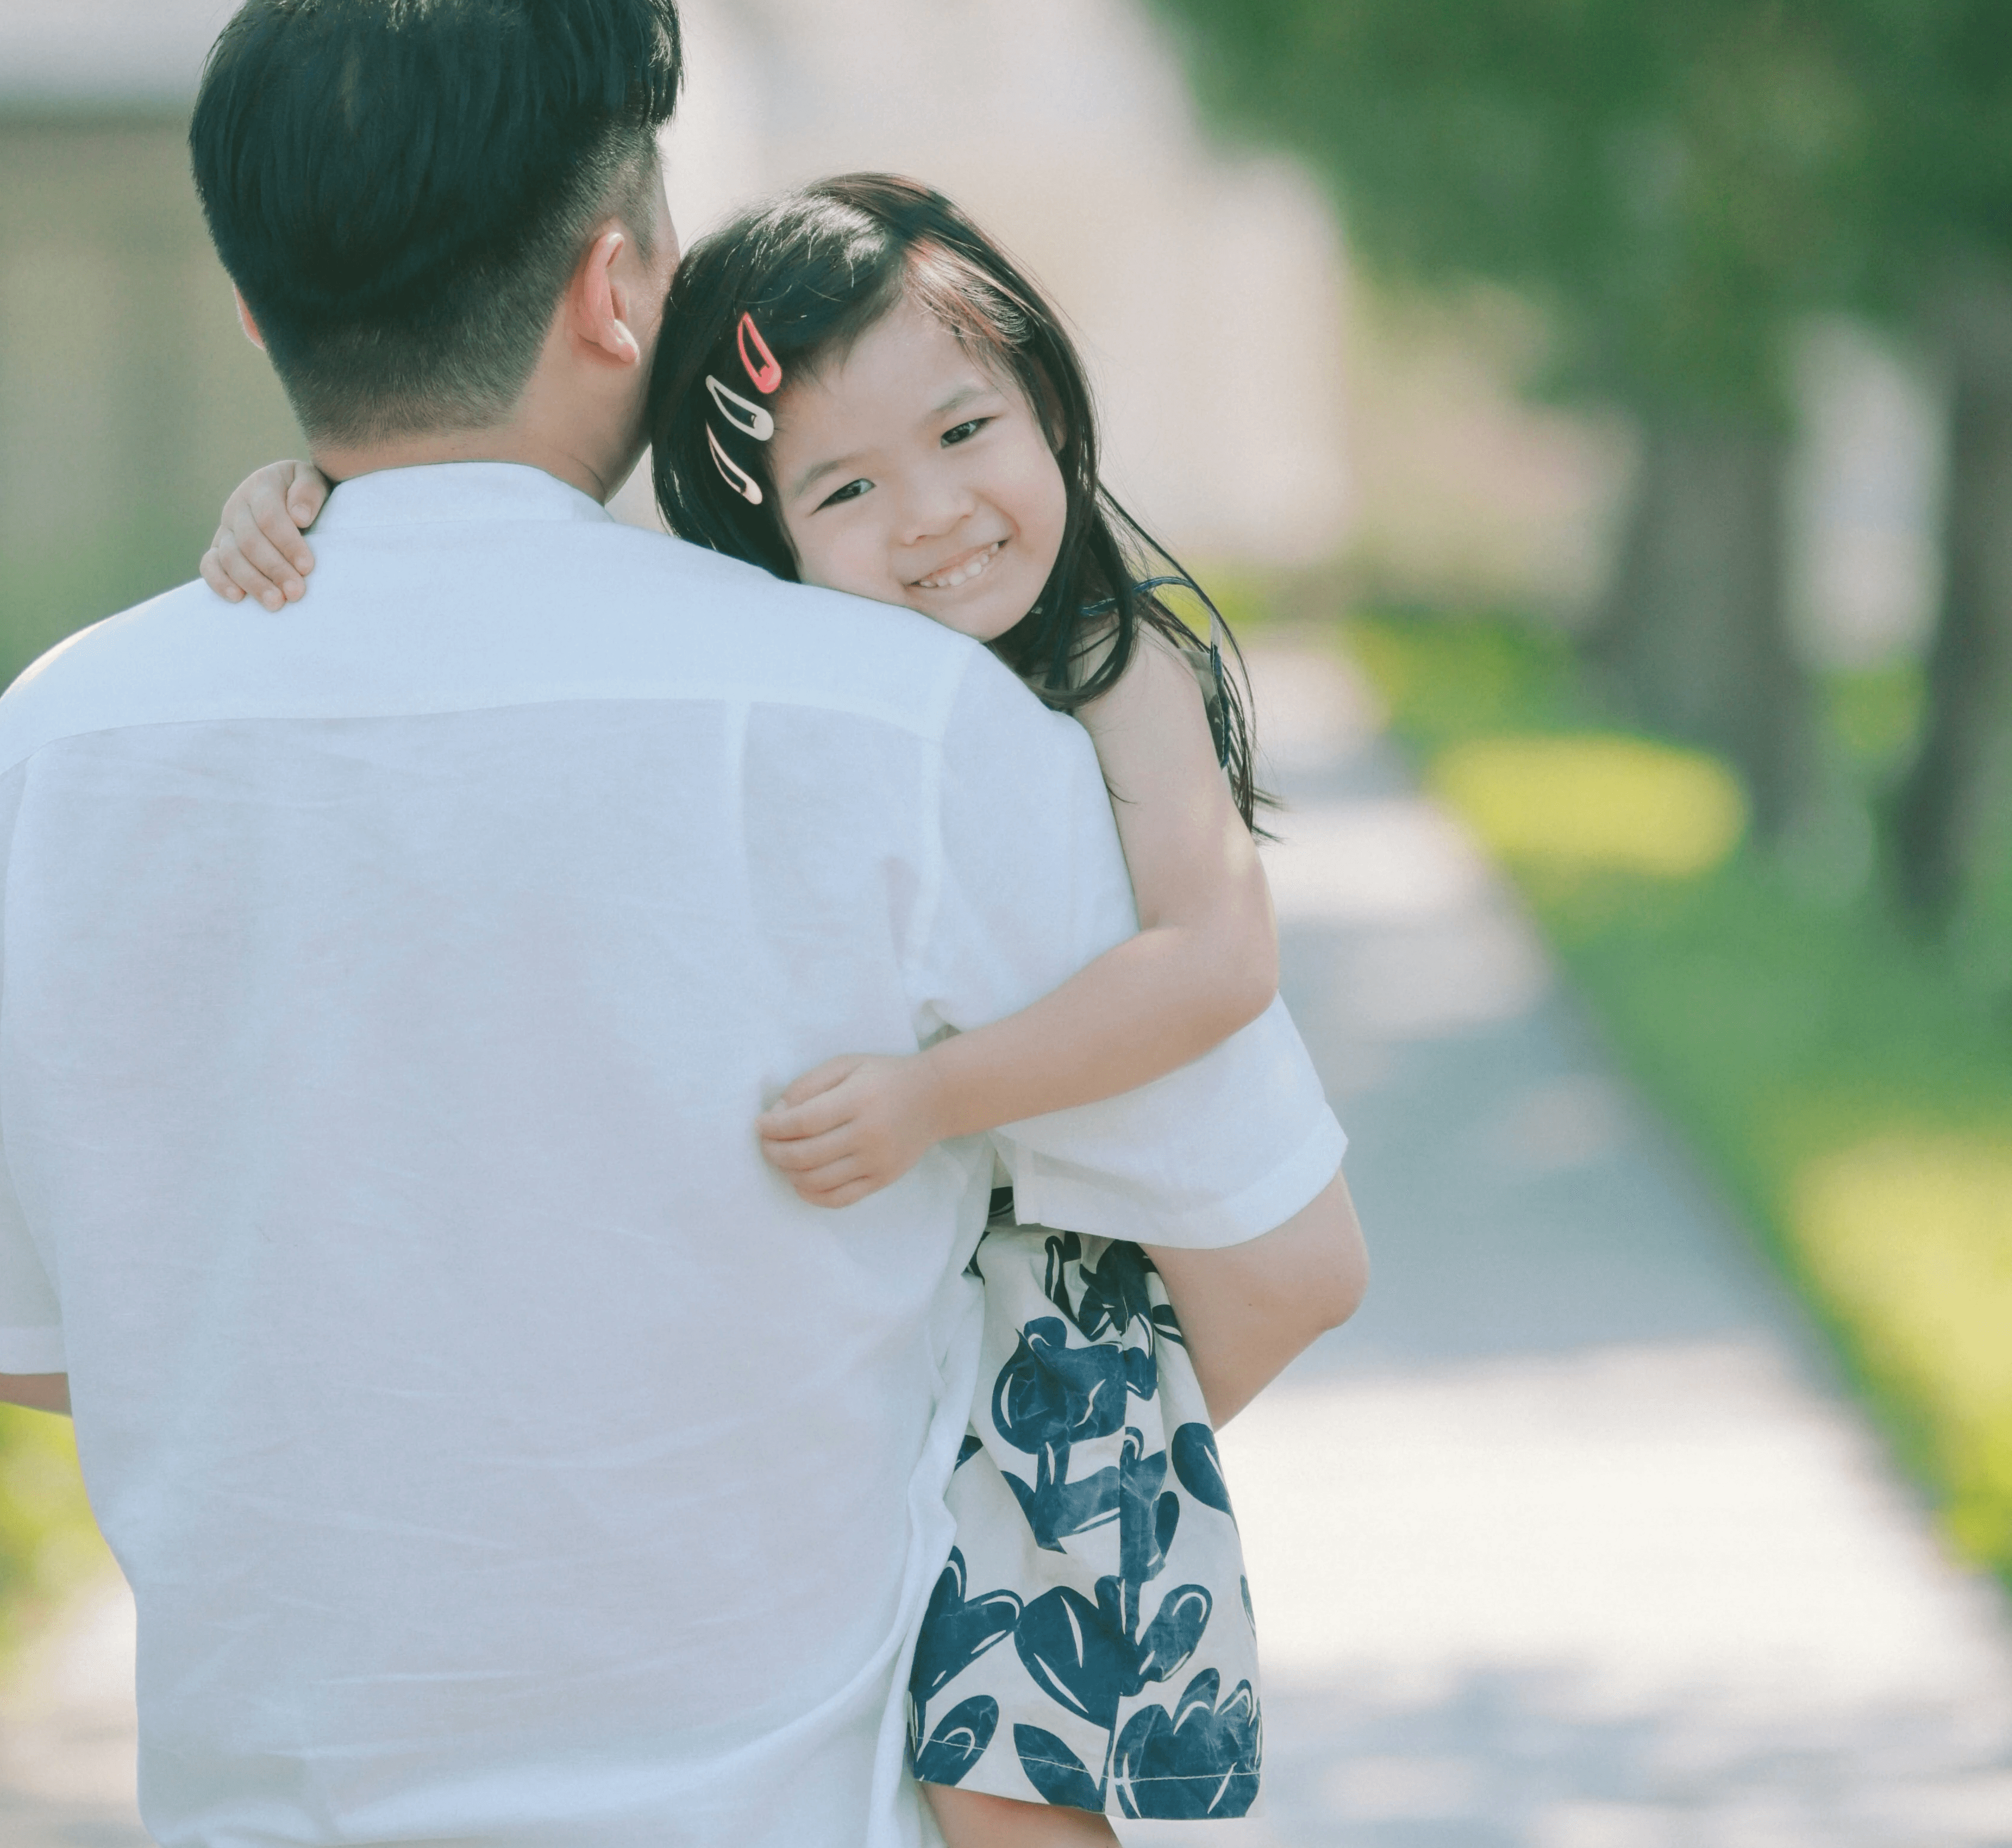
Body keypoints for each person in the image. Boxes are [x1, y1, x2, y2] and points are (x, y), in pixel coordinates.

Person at [0, 0, 1359, 1848]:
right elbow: (1283, 1261)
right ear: (615, 290)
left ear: (258, 311)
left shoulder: (49, 755)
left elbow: (5, 1341)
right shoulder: (913, 729)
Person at [205, 176, 1360, 1841]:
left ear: (1047, 400)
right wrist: (304, 497)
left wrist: (933, 1096)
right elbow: (535, 561)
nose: (935, 513)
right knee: (956, 1749)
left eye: (965, 430)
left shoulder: (1117, 665)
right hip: (959, 1317)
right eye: (846, 487)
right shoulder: (803, 676)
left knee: (999, 1780)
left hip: (1079, 1323)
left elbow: (1218, 957)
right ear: (768, 538)